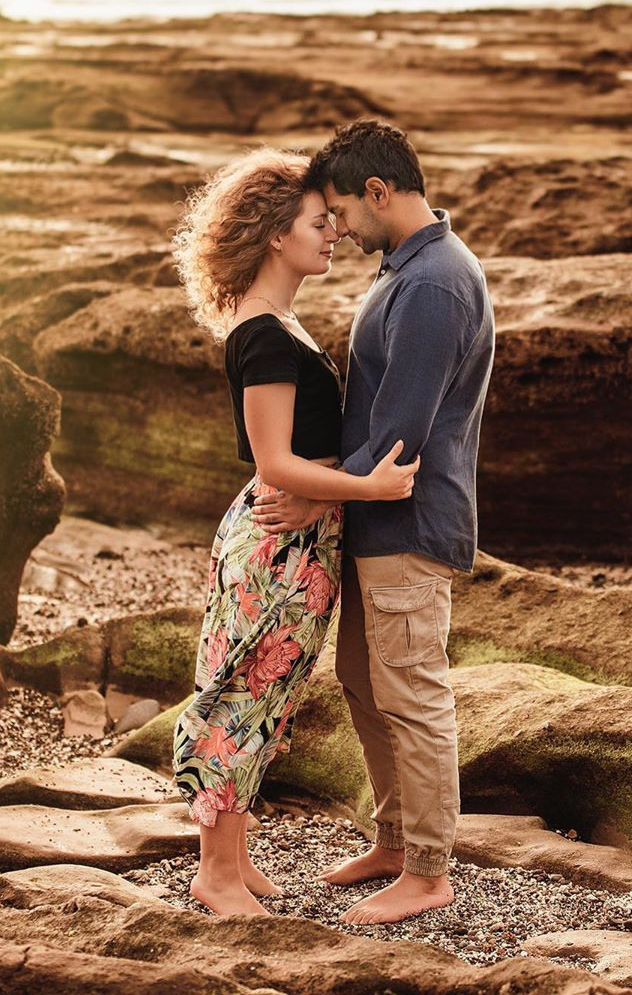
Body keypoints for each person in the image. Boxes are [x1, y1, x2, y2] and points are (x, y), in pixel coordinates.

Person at [253, 119, 496, 925]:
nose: (340, 230)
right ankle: (393, 842)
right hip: (375, 521)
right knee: (364, 682)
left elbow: (400, 433)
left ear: (379, 192)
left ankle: (428, 871)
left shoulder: (433, 285)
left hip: (410, 524)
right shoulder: (409, 270)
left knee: (412, 695)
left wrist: (315, 496)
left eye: (342, 212)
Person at [170, 147, 419, 918]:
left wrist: (329, 494)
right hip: (277, 547)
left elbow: (300, 454)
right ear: (277, 235)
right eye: (319, 222)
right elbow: (275, 461)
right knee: (240, 699)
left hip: (299, 541)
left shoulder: (280, 323)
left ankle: (234, 858)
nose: (334, 233)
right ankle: (214, 873)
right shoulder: (265, 335)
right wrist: (367, 487)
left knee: (268, 700)